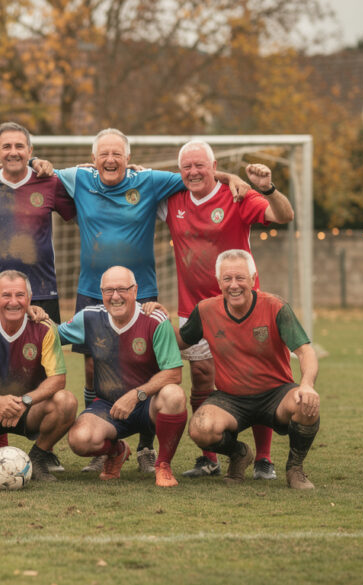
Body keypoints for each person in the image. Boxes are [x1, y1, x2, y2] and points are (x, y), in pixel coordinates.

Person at [52, 129, 246, 474]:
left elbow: (196, 175)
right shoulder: (77, 178)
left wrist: (230, 177)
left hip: (140, 292)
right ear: (93, 159)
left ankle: (145, 447)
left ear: (129, 158)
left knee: (149, 365)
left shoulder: (152, 180)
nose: (110, 160)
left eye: (117, 154)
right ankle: (105, 445)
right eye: (103, 155)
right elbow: (32, 172)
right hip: (92, 290)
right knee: (95, 366)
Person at [158, 140, 294, 480]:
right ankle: (210, 459)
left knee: (256, 378)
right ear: (179, 171)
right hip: (196, 310)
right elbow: (140, 181)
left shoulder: (238, 196)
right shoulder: (171, 199)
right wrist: (225, 173)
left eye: (201, 166)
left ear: (213, 164)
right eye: (186, 167)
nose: (193, 172)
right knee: (201, 378)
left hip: (243, 305)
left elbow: (283, 215)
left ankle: (264, 458)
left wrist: (268, 188)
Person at [0, 122, 76, 471]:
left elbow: (77, 212)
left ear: (30, 151)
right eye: (6, 147)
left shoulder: (51, 183)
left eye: (20, 146)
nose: (13, 152)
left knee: (44, 374)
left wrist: (50, 167)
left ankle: (44, 450)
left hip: (41, 292)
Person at [179, 250, 320, 489]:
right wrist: (155, 318)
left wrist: (307, 385)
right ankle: (239, 454)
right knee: (200, 428)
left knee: (306, 406)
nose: (234, 285)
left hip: (276, 394)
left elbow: (306, 351)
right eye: (227, 279)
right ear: (219, 282)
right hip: (230, 399)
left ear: (253, 279)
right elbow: (178, 342)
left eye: (240, 278)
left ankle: (295, 469)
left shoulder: (276, 307)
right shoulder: (205, 311)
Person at [57, 266, 188, 487]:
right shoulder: (88, 318)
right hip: (109, 405)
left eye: (122, 289)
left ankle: (163, 465)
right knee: (79, 440)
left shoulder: (154, 318)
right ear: (101, 293)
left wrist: (137, 395)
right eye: (108, 290)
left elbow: (174, 373)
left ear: (135, 291)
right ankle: (117, 451)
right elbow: (49, 337)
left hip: (148, 404)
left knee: (174, 395)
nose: (115, 296)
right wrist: (36, 317)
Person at [0, 270, 77, 482]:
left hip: (30, 408)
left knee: (67, 402)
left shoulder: (45, 328)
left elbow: (58, 379)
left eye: (20, 295)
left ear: (29, 298)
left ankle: (37, 459)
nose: (13, 302)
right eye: (6, 295)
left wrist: (25, 401)